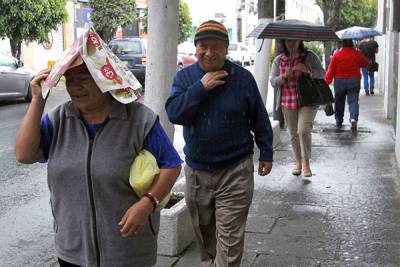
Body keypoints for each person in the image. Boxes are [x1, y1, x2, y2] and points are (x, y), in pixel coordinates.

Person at [15, 62, 182, 267]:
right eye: (70, 79)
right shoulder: (58, 120)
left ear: (104, 78)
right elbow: (24, 155)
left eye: (84, 78)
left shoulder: (139, 119)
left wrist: (147, 203)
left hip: (128, 251)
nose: (75, 87)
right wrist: (38, 101)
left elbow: (171, 165)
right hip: (72, 250)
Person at [165, 20, 273, 267]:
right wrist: (200, 88)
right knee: (205, 235)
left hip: (235, 170)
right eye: (203, 46)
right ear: (195, 48)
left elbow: (259, 117)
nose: (209, 52)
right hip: (197, 172)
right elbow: (174, 113)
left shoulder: (242, 79)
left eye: (216, 47)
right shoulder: (185, 78)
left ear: (226, 49)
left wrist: (266, 151)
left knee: (230, 240)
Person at [270, 39, 325, 177]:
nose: (291, 43)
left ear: (300, 41)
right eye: (288, 41)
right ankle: (298, 162)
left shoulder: (309, 56)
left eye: (294, 41)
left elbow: (323, 74)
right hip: (288, 100)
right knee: (293, 134)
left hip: (307, 100)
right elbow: (273, 82)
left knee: (303, 130)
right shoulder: (279, 60)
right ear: (284, 42)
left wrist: (307, 70)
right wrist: (284, 77)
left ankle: (306, 163)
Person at [325, 39, 369, 131]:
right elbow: (366, 63)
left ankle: (339, 120)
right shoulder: (357, 54)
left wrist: (327, 82)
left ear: (343, 44)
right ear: (351, 43)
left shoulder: (337, 54)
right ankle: (353, 118)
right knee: (353, 101)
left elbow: (331, 69)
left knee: (339, 101)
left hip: (339, 81)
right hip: (354, 80)